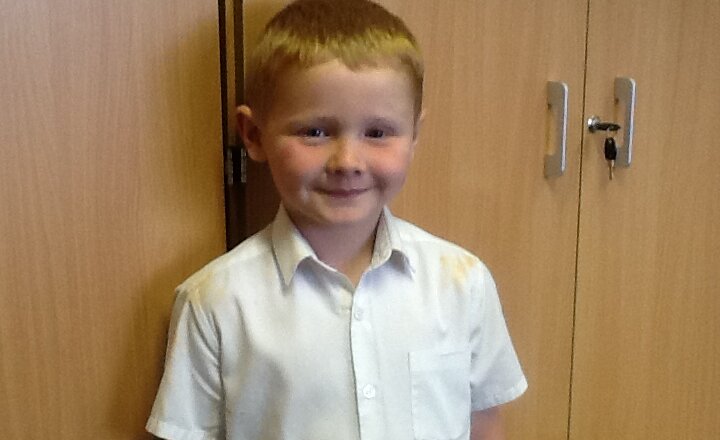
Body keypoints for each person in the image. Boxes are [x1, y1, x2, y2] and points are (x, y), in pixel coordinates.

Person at [146, 0, 527, 439]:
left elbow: (483, 423)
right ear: (254, 135)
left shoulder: (463, 283)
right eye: (315, 132)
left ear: (415, 135)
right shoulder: (215, 302)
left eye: (377, 133)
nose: (347, 161)